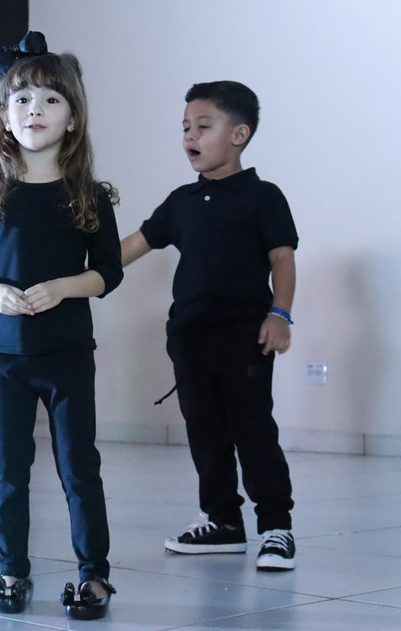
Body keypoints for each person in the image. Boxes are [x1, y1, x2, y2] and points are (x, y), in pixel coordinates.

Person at [0, 31, 121, 619]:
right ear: (4, 114)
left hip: (68, 352)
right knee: (8, 470)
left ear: (72, 118)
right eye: (22, 99)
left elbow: (107, 271)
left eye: (51, 99)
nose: (35, 110)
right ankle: (11, 571)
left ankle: (94, 576)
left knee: (79, 467)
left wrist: (63, 287)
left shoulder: (88, 195)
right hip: (4, 355)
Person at [121, 81, 298, 571]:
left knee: (253, 429)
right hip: (190, 336)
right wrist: (79, 272)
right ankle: (223, 523)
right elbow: (133, 245)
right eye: (185, 128)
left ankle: (277, 527)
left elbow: (282, 258)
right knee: (205, 432)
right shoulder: (181, 201)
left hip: (245, 335)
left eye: (203, 126)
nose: (189, 136)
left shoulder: (263, 196)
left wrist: (280, 314)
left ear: (239, 135)